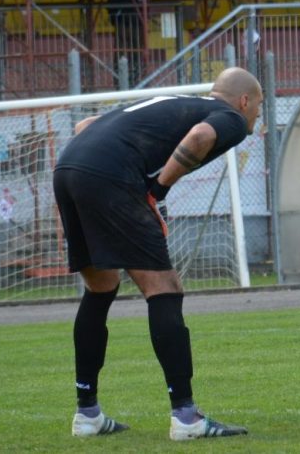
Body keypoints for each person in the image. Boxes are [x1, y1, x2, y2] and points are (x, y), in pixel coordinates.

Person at [53, 67, 261, 440]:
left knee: (100, 287)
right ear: (244, 101)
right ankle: (186, 418)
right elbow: (201, 137)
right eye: (258, 108)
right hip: (108, 176)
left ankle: (87, 415)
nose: (257, 116)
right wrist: (157, 192)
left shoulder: (177, 103)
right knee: (165, 289)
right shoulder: (229, 117)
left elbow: (86, 126)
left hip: (69, 167)